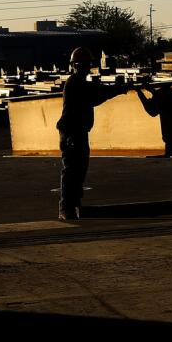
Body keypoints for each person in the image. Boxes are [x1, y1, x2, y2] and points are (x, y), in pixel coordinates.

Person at [55, 47, 131, 220]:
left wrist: (118, 89)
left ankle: (73, 205)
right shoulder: (75, 83)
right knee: (72, 171)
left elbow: (97, 94)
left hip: (78, 131)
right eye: (83, 65)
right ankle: (66, 208)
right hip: (71, 132)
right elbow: (97, 93)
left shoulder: (80, 82)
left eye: (87, 65)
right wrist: (119, 89)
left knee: (78, 170)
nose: (86, 68)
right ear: (76, 66)